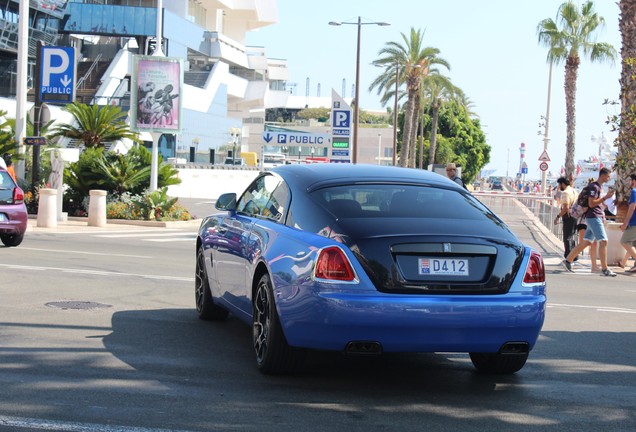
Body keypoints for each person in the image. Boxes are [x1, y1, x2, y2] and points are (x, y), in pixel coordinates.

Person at [562, 167, 616, 276]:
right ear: (602, 175)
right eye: (608, 176)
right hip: (593, 217)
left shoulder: (598, 187)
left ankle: (568, 261)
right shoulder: (594, 187)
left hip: (594, 217)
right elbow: (591, 203)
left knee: (586, 242)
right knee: (604, 241)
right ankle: (605, 269)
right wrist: (605, 197)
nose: (609, 178)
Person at [554, 177, 577, 260]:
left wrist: (557, 217)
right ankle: (574, 256)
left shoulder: (565, 193)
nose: (559, 186)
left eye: (559, 184)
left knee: (567, 237)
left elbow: (566, 208)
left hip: (568, 217)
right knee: (572, 236)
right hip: (575, 216)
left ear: (563, 184)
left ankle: (568, 257)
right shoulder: (574, 191)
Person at [619, 173, 636, 273]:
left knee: (624, 241)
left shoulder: (634, 191)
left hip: (634, 222)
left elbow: (632, 207)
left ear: (634, 181)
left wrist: (625, 223)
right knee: (632, 243)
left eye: (630, 181)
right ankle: (623, 262)